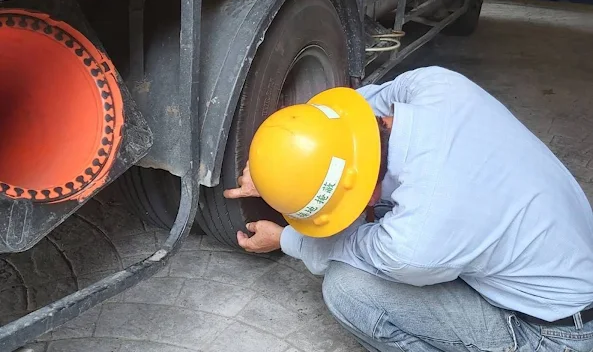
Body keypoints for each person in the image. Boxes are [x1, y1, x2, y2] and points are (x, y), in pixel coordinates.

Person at [224, 66, 593, 352]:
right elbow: (357, 110)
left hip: (554, 335)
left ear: (365, 198)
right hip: (568, 266)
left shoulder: (414, 243)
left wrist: (287, 237)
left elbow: (342, 249)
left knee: (347, 289)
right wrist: (283, 170)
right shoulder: (437, 85)